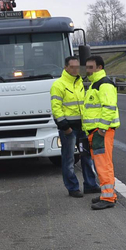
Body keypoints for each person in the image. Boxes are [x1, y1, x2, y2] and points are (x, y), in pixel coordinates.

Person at [50, 56, 99, 198]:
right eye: (73, 67)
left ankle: (90, 185)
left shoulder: (79, 83)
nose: (76, 70)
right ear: (66, 67)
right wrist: (65, 127)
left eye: (78, 67)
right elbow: (56, 108)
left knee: (86, 157)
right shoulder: (58, 85)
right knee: (69, 159)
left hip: (83, 128)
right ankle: (72, 187)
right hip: (69, 130)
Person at [83, 56, 121, 210]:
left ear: (99, 67)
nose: (87, 70)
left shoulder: (103, 84)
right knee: (103, 164)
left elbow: (109, 107)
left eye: (90, 67)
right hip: (97, 131)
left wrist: (102, 130)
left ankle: (108, 198)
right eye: (87, 67)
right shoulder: (95, 85)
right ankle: (108, 194)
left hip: (101, 132)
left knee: (103, 165)